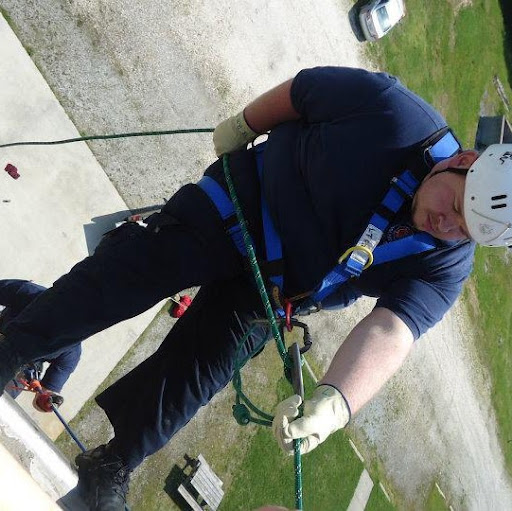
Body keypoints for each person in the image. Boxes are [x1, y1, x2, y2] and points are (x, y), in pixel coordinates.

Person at [0, 66, 510, 510]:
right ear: (462, 160)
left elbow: (394, 329)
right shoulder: (392, 114)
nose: (445, 224)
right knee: (124, 279)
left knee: (196, 376)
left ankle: (112, 464)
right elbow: (305, 92)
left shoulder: (448, 261)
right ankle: (12, 348)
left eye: (462, 230)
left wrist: (336, 402)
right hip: (238, 209)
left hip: (276, 291)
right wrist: (243, 125)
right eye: (454, 206)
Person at [0, 279, 82, 411]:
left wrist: (46, 401)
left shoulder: (71, 349)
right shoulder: (27, 292)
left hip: (20, 369)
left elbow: (42, 397)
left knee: (5, 401)